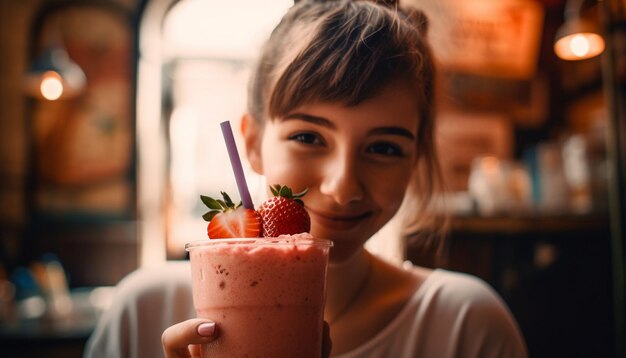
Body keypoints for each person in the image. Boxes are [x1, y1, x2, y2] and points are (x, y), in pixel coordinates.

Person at [85, 0, 528, 357]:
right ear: (253, 143)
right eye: (308, 136)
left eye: (385, 148)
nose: (342, 186)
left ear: (415, 162)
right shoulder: (141, 314)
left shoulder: (466, 327)